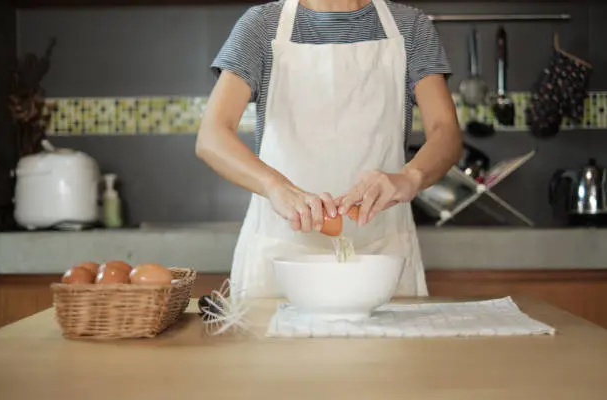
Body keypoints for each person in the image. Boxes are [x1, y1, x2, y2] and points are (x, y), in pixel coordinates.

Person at [196, 0, 462, 298]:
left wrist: (410, 177)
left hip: (383, 253)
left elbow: (446, 133)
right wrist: (274, 186)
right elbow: (212, 135)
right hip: (281, 251)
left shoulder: (410, 26)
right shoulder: (261, 25)